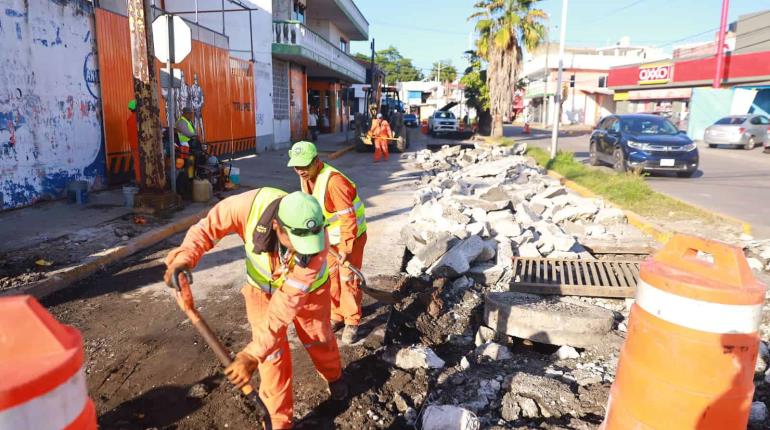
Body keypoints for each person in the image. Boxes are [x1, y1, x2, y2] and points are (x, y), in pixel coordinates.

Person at [163, 189, 348, 429]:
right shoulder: (246, 207)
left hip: (310, 292)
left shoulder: (316, 245)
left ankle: (334, 377)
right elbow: (206, 228)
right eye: (296, 243)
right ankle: (278, 422)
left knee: (318, 338)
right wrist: (183, 258)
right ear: (276, 226)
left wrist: (251, 354)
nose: (304, 251)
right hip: (261, 292)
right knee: (272, 357)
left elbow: (285, 306)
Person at [287, 141, 367, 345]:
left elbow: (348, 220)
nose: (300, 171)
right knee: (329, 278)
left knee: (347, 279)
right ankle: (337, 315)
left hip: (351, 237)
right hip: (329, 240)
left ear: (316, 161)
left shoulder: (335, 182)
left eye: (305, 166)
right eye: (297, 166)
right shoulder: (306, 179)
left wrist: (346, 249)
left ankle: (352, 321)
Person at [176, 107, 198, 179]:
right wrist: (195, 135)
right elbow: (188, 133)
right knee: (190, 161)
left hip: (190, 145)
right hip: (185, 146)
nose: (191, 115)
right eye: (190, 113)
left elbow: (193, 132)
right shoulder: (181, 122)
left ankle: (194, 175)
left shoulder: (188, 121)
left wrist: (195, 135)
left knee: (195, 160)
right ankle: (190, 177)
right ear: (185, 113)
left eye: (192, 113)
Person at [126, 99, 141, 184]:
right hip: (142, 145)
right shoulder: (141, 118)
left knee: (137, 164)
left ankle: (139, 181)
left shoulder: (129, 119)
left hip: (134, 146)